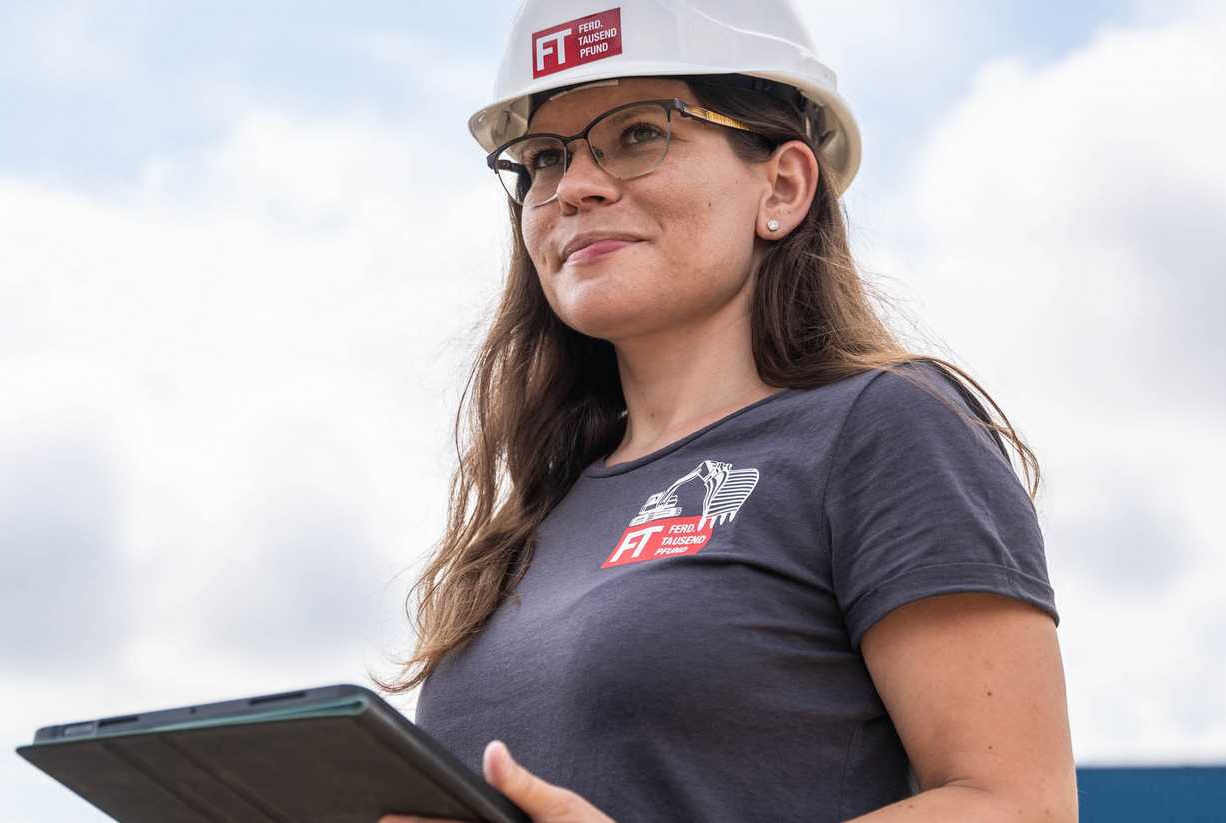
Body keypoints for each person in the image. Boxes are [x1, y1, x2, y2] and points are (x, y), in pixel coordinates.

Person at [378, 2, 1074, 821]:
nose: (573, 188)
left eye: (638, 133)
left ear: (782, 185)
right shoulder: (537, 509)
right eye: (541, 158)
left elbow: (1017, 803)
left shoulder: (883, 425)